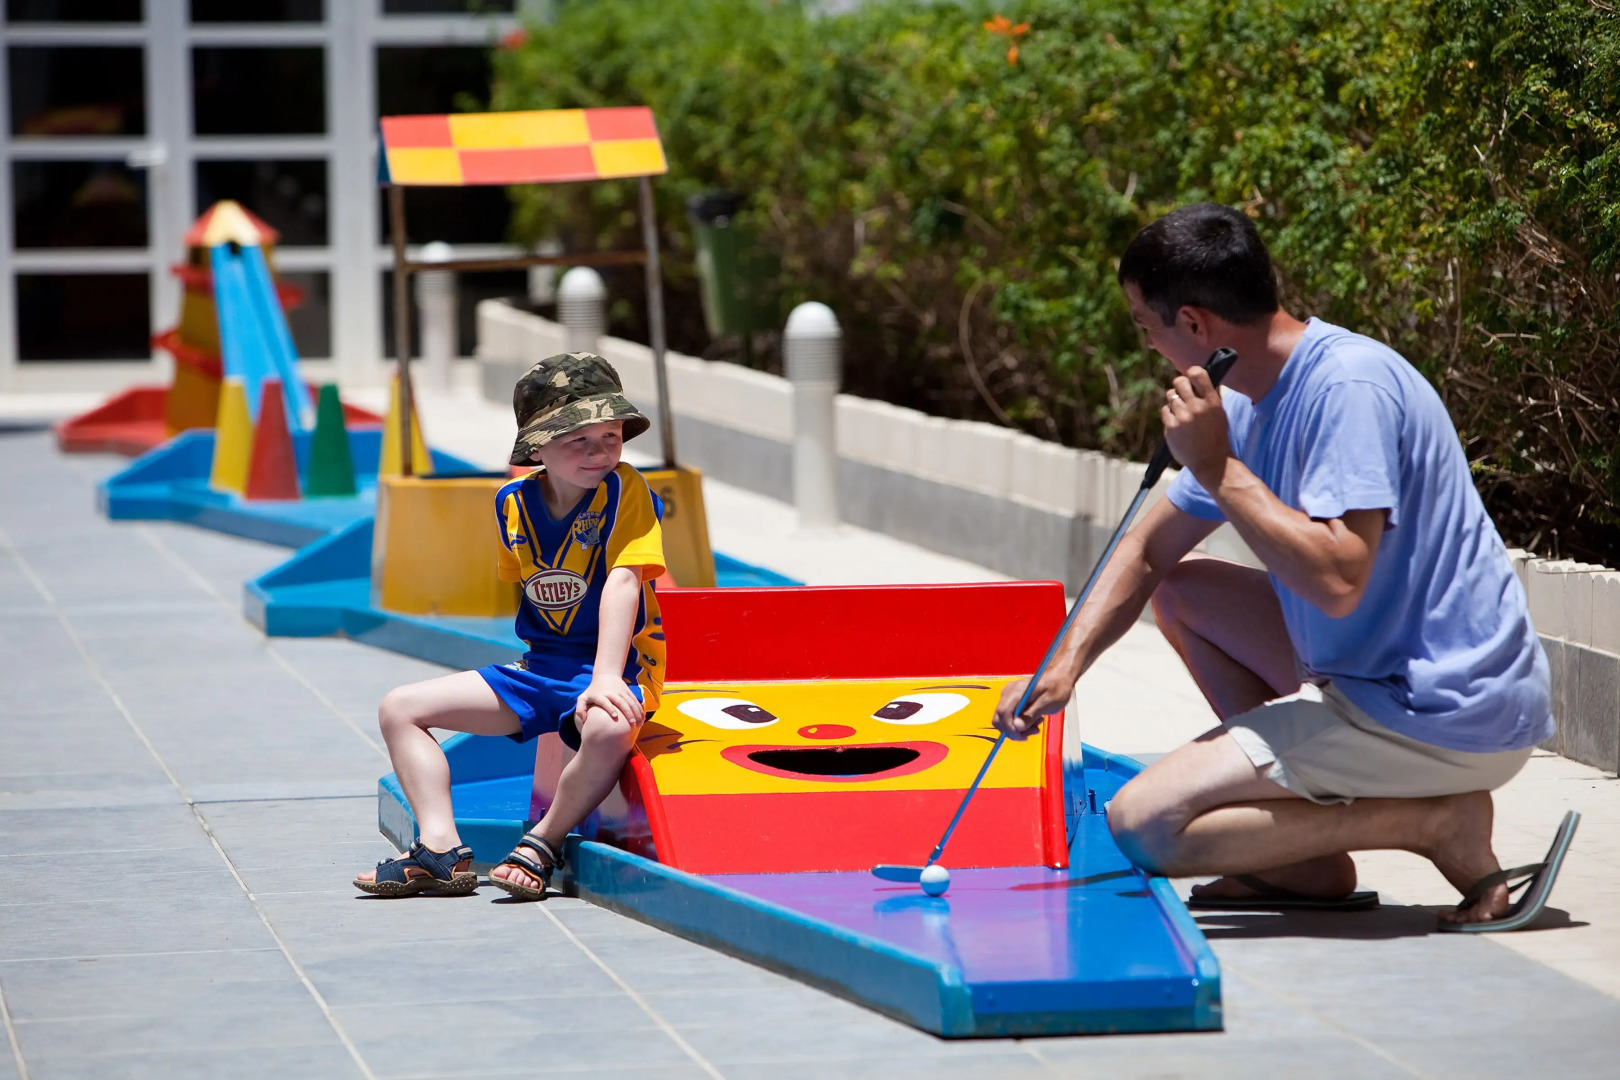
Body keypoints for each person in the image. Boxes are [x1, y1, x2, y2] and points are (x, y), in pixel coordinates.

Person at [992, 203, 1565, 929]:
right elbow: (1146, 549)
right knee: (1184, 590)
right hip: (1370, 672)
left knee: (1147, 822)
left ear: (1195, 325)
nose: (1149, 346)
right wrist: (1063, 666)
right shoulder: (1249, 398)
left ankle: (1432, 822)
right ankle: (1302, 862)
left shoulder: (1346, 389)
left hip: (1442, 707)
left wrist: (1222, 466)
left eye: (1148, 326)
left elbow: (1337, 578)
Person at [354, 352, 665, 900]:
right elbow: (534, 597)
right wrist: (533, 688)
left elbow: (622, 583)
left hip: (618, 666)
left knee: (611, 727)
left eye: (610, 436)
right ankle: (440, 847)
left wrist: (607, 679)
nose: (600, 453)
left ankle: (543, 842)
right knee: (399, 708)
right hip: (540, 668)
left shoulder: (626, 490)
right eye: (578, 440)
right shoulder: (511, 504)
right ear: (537, 448)